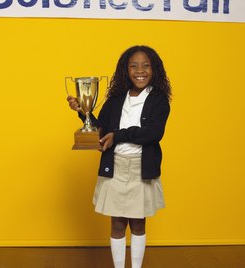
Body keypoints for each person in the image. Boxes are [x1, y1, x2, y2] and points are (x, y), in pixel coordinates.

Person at [67, 45, 171, 268]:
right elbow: (101, 130)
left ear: (154, 70)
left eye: (145, 66)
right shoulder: (115, 99)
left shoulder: (159, 99)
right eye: (133, 66)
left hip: (141, 169)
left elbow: (154, 132)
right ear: (126, 70)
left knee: (138, 224)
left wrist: (119, 135)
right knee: (117, 223)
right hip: (114, 166)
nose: (139, 71)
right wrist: (81, 112)